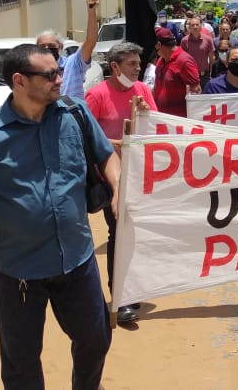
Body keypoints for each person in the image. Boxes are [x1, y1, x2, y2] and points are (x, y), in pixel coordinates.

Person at [0, 44, 118, 389]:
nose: (59, 79)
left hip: (77, 260)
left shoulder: (75, 114)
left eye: (59, 71)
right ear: (20, 81)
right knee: (21, 362)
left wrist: (118, 186)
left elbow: (107, 156)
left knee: (96, 339)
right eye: (50, 74)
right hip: (18, 271)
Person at [84, 41, 155, 324]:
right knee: (119, 234)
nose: (138, 69)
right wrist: (118, 144)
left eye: (139, 64)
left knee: (135, 235)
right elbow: (85, 136)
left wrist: (143, 112)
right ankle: (122, 297)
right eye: (132, 64)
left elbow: (154, 128)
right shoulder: (97, 95)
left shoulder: (142, 91)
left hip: (139, 177)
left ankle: (131, 287)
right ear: (114, 67)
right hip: (109, 179)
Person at [34, 0, 99, 101]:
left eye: (50, 45)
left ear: (60, 47)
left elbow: (90, 41)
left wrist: (91, 11)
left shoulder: (73, 64)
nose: (46, 49)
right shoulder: (33, 72)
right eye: (42, 46)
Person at [152, 26, 200, 117]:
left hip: (178, 122)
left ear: (158, 44)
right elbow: (157, 88)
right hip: (161, 119)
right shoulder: (161, 60)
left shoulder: (185, 61)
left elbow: (196, 91)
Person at [180, 17, 216, 88]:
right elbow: (182, 59)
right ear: (189, 27)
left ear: (201, 25)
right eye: (192, 25)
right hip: (190, 75)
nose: (195, 27)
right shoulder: (184, 41)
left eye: (197, 24)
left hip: (204, 75)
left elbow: (212, 57)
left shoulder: (208, 39)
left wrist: (211, 72)